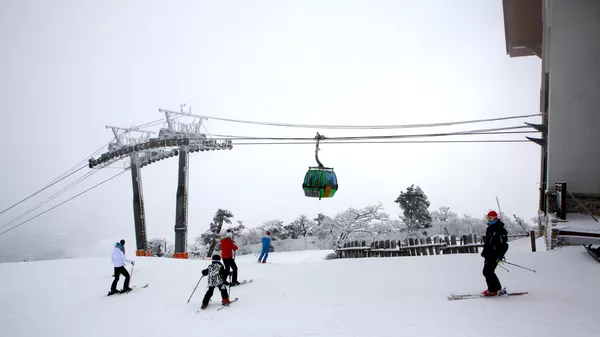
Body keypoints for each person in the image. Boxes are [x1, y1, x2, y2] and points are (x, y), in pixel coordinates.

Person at [480, 210, 509, 296]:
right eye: (488, 218)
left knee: (487, 271)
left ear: (496, 217)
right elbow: (488, 243)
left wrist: (499, 255)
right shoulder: (489, 228)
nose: (490, 219)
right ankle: (496, 288)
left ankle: (492, 290)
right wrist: (484, 252)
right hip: (488, 255)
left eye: (492, 218)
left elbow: (504, 245)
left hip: (495, 255)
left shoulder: (500, 229)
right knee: (489, 271)